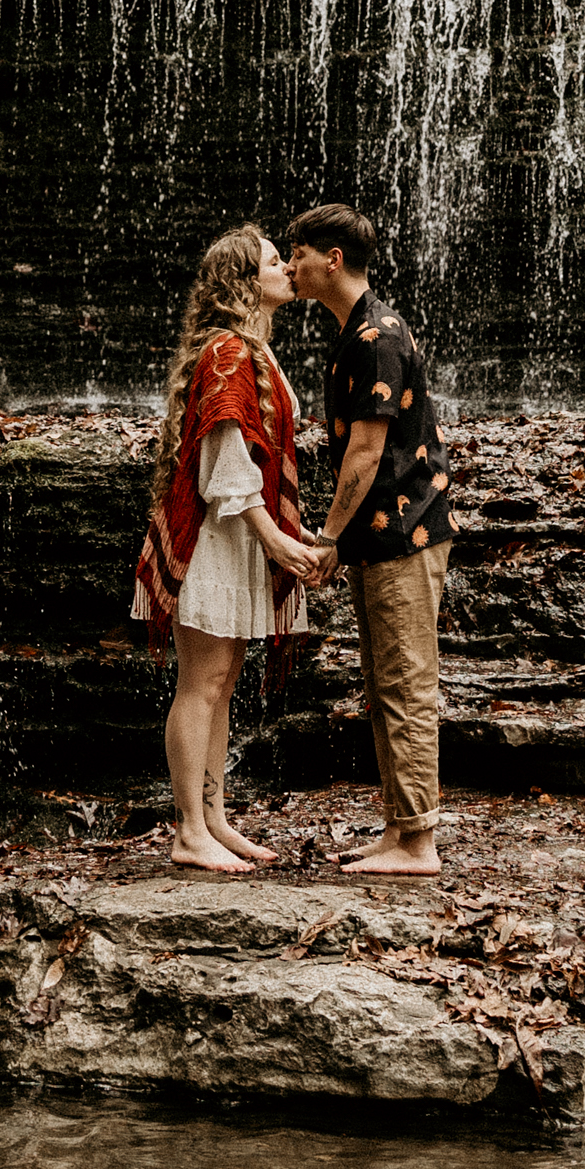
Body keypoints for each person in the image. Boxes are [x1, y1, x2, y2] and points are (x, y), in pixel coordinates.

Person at [128, 222, 331, 872]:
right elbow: (224, 461)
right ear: (246, 279)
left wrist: (286, 536)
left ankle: (213, 816)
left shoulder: (255, 350)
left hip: (239, 538)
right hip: (217, 540)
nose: (287, 269)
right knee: (201, 682)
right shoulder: (228, 351)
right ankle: (189, 828)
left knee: (222, 681)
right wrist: (277, 539)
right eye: (276, 260)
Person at [281, 201, 459, 877]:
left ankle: (418, 842)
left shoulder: (375, 336)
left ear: (331, 259)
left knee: (406, 681)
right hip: (386, 532)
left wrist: (326, 536)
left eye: (297, 254)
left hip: (404, 529)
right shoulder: (360, 328)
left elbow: (364, 453)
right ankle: (400, 829)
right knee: (386, 679)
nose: (289, 266)